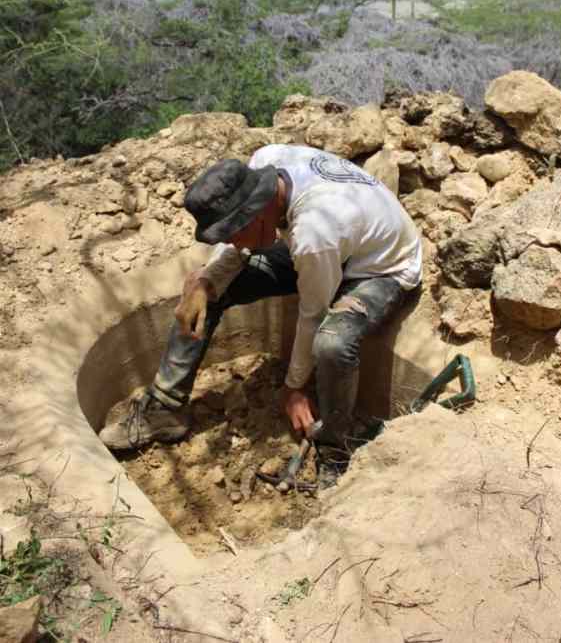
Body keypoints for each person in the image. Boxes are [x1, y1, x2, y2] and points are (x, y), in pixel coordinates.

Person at [100, 143, 422, 484]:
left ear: (259, 210)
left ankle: (334, 449)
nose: (236, 243)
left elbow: (313, 314)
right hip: (341, 246)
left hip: (382, 267)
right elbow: (235, 250)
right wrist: (206, 280)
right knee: (204, 288)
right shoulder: (265, 163)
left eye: (237, 232)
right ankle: (165, 409)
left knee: (333, 342)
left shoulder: (314, 232)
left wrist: (293, 388)